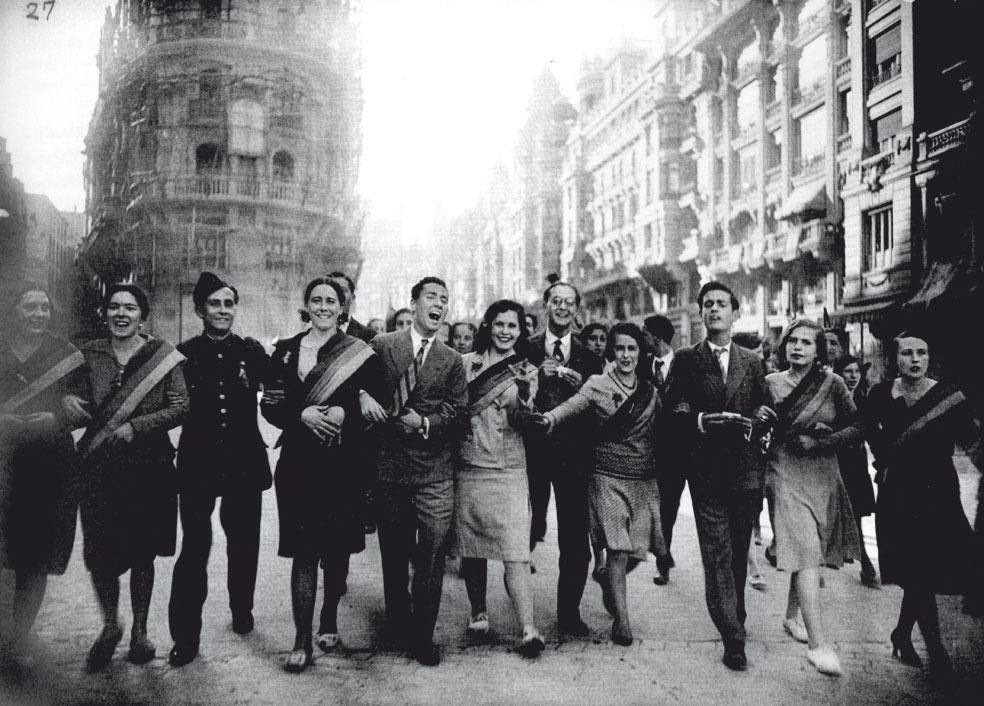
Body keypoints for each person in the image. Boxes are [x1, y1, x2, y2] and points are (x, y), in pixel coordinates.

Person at [260, 277, 385, 672]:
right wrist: (301, 414)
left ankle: (329, 618)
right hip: (298, 464)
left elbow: (377, 406)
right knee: (303, 552)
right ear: (307, 305)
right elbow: (270, 406)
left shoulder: (360, 354)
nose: (324, 307)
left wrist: (350, 408)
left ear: (342, 308)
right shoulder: (285, 351)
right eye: (316, 300)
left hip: (343, 464)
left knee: (335, 550)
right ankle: (301, 640)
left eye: (331, 301)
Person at [63, 284, 188, 671]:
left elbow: (181, 405)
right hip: (99, 466)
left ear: (142, 316)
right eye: (114, 307)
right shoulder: (88, 354)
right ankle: (110, 625)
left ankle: (140, 632)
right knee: (99, 552)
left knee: (142, 551)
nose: (121, 314)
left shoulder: (163, 356)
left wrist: (138, 426)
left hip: (148, 466)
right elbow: (72, 397)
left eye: (130, 308)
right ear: (105, 314)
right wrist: (68, 402)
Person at [662, 281, 775, 671]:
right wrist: (699, 420)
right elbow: (670, 409)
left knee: (739, 553)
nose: (713, 309)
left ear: (735, 312)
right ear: (700, 313)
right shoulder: (686, 359)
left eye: (721, 304)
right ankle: (733, 637)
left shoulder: (752, 361)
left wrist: (760, 416)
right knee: (717, 555)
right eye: (707, 304)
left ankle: (735, 616)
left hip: (746, 471)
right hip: (706, 472)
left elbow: (765, 407)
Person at [359, 276, 468, 666]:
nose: (438, 304)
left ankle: (423, 636)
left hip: (435, 472)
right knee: (394, 554)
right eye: (431, 297)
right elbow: (355, 380)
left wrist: (423, 423)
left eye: (444, 299)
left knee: (432, 557)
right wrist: (362, 396)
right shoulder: (382, 345)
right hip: (390, 471)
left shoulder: (451, 360)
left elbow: (458, 412)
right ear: (415, 303)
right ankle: (398, 620)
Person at [167, 273, 273, 667]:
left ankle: (241, 608)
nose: (223, 311)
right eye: (215, 304)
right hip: (199, 462)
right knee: (195, 546)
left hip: (244, 461)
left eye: (229, 304)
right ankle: (186, 636)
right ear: (200, 310)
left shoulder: (251, 351)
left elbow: (280, 390)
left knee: (244, 542)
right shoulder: (183, 354)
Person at [539, 323, 665, 647]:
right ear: (611, 352)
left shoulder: (650, 390)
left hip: (642, 480)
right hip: (606, 477)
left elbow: (666, 432)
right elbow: (571, 407)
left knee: (636, 550)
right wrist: (549, 418)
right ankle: (622, 621)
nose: (626, 355)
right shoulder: (597, 384)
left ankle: (610, 583)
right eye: (620, 348)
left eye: (632, 349)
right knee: (618, 550)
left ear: (641, 352)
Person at [866, 332, 980, 679]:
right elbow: (869, 431)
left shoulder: (949, 397)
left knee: (926, 569)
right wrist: (883, 461)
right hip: (898, 493)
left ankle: (912, 638)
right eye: (907, 353)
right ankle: (924, 645)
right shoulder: (880, 394)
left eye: (921, 352)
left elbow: (971, 441)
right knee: (917, 570)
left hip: (938, 493)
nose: (915, 359)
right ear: (894, 359)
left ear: (930, 357)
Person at [766, 318, 861, 677]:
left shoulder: (834, 384)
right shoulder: (769, 383)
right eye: (793, 340)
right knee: (805, 550)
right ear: (784, 346)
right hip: (784, 472)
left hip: (823, 475)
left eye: (806, 342)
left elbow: (858, 427)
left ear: (818, 350)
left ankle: (791, 617)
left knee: (808, 552)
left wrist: (825, 438)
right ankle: (818, 645)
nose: (798, 347)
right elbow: (758, 428)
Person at [454, 300, 544, 657]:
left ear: (521, 331)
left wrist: (523, 394)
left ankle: (528, 628)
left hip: (508, 468)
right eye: (500, 324)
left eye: (512, 326)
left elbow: (526, 420)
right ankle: (478, 612)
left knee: (515, 550)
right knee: (474, 546)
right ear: (488, 326)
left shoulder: (527, 370)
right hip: (471, 463)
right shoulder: (465, 364)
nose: (505, 331)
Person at [0, 285, 83, 667]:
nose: (38, 314)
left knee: (33, 558)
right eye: (29, 307)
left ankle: (19, 639)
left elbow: (87, 403)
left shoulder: (66, 355)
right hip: (3, 465)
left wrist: (58, 418)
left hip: (47, 468)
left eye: (44, 307)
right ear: (14, 310)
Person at [524, 277, 601, 636]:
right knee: (522, 531)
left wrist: (583, 389)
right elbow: (512, 395)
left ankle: (568, 612)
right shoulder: (526, 348)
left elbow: (601, 404)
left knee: (575, 540)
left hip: (574, 457)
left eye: (569, 302)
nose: (563, 308)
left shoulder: (591, 355)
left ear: (576, 309)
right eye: (556, 301)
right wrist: (534, 377)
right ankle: (519, 612)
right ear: (546, 306)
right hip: (531, 453)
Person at [642, 314, 684, 587]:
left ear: (656, 337)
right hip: (646, 450)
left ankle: (662, 559)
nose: (641, 338)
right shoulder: (641, 365)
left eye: (644, 333)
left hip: (677, 453)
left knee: (668, 509)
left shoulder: (684, 364)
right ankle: (662, 555)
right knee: (651, 510)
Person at [832, 354, 879, 588]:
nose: (853, 376)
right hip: (834, 464)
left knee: (856, 516)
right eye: (847, 371)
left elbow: (872, 433)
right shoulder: (831, 400)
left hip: (857, 466)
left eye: (856, 371)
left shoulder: (864, 400)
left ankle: (865, 563)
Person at [578, 321, 608, 583]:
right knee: (591, 508)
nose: (598, 344)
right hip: (586, 446)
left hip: (609, 448)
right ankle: (599, 559)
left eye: (602, 339)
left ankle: (604, 559)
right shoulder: (580, 368)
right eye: (593, 339)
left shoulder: (614, 367)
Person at [326, 271, 376, 343]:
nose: (337, 295)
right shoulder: (312, 332)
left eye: (342, 290)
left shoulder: (367, 335)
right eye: (331, 290)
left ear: (352, 297)